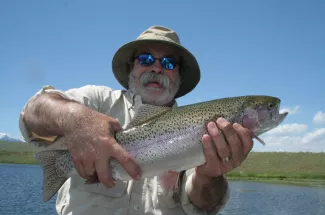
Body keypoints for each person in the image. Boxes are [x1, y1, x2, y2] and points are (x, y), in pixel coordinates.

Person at [19, 26, 254, 215]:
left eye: (169, 63)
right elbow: (34, 112)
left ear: (179, 77)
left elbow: (205, 205)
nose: (157, 68)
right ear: (131, 68)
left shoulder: (201, 130)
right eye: (145, 59)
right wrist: (76, 119)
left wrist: (209, 176)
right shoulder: (97, 100)